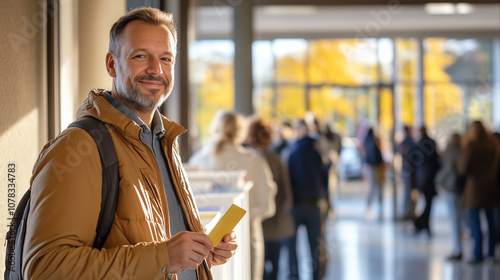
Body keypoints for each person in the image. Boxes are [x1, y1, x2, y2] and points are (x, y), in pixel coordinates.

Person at [23, 8, 237, 280]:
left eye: (165, 58)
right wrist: (164, 256)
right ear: (112, 64)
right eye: (140, 56)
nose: (156, 69)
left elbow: (153, 242)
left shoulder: (163, 140)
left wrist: (199, 252)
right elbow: (46, 268)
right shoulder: (78, 146)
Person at [188, 110, 277, 280]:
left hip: (206, 246)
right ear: (241, 132)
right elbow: (268, 206)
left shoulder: (198, 160)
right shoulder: (253, 159)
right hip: (247, 240)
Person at [245, 117, 294, 280]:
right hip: (275, 226)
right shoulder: (277, 159)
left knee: (255, 269)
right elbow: (286, 195)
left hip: (252, 225)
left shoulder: (246, 159)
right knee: (275, 268)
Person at [286, 119, 330, 280]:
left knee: (292, 246)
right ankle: (316, 276)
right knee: (315, 247)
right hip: (315, 204)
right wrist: (326, 200)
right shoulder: (318, 151)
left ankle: (294, 276)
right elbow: (325, 178)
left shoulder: (292, 151)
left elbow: (287, 178)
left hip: (295, 206)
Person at [458, 121, 500, 263]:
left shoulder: (471, 146)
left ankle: (478, 253)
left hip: (474, 190)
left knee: (475, 223)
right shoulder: (493, 146)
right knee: (491, 223)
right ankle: (491, 253)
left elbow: (462, 169)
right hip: (491, 188)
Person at [434, 133, 465, 260]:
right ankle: (458, 247)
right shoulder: (462, 151)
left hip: (450, 187)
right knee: (459, 217)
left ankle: (457, 249)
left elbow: (444, 169)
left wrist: (438, 181)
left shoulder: (448, 152)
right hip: (460, 188)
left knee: (454, 218)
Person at [411, 126, 439, 237]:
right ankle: (423, 224)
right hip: (430, 178)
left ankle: (421, 224)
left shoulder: (417, 145)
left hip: (422, 178)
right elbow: (436, 162)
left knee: (426, 203)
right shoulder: (431, 143)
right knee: (428, 203)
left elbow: (413, 162)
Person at [363, 127, 385, 220]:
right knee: (378, 187)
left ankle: (369, 208)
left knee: (371, 188)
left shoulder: (366, 140)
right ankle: (378, 209)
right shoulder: (376, 140)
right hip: (377, 167)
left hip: (370, 166)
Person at [396, 125, 417, 220]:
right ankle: (408, 212)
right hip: (407, 170)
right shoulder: (407, 142)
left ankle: (409, 212)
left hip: (409, 170)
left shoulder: (409, 142)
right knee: (406, 192)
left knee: (409, 193)